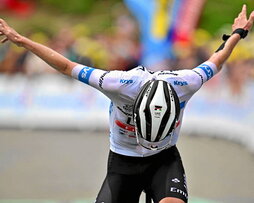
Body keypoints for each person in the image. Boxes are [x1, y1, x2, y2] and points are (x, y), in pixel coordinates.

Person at [1, 4, 254, 203]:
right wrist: (21, 40)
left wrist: (238, 33)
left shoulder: (185, 83)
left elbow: (218, 59)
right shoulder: (118, 84)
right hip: (123, 162)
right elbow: (66, 66)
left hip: (163, 159)